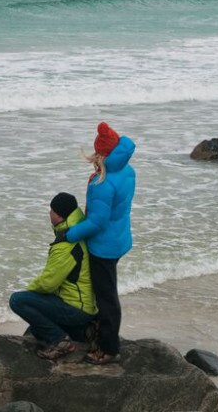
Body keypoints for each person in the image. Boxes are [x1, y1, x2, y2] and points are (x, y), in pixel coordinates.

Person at [65, 121, 136, 366]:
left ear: (101, 155)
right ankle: (100, 335)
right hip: (119, 239)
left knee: (106, 297)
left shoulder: (102, 184)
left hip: (103, 246)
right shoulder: (128, 172)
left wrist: (71, 234)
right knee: (106, 292)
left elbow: (97, 222)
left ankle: (108, 348)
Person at [9, 192, 97, 360]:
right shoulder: (79, 230)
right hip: (86, 305)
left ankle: (60, 341)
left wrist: (29, 291)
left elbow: (49, 283)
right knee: (35, 329)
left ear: (59, 215)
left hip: (75, 308)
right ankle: (81, 331)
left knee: (18, 301)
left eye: (51, 210)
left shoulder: (66, 243)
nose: (49, 213)